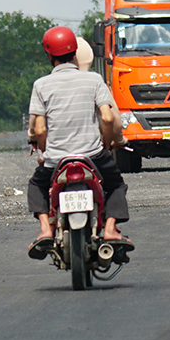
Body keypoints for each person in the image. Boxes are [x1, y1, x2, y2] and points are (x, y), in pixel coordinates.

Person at [26, 26, 133, 259]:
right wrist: (104, 144)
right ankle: (109, 229)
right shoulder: (94, 80)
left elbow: (40, 128)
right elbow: (107, 117)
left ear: (49, 55)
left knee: (36, 185)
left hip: (57, 160)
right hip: (92, 156)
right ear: (74, 52)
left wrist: (46, 151)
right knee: (115, 184)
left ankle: (45, 229)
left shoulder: (41, 85)